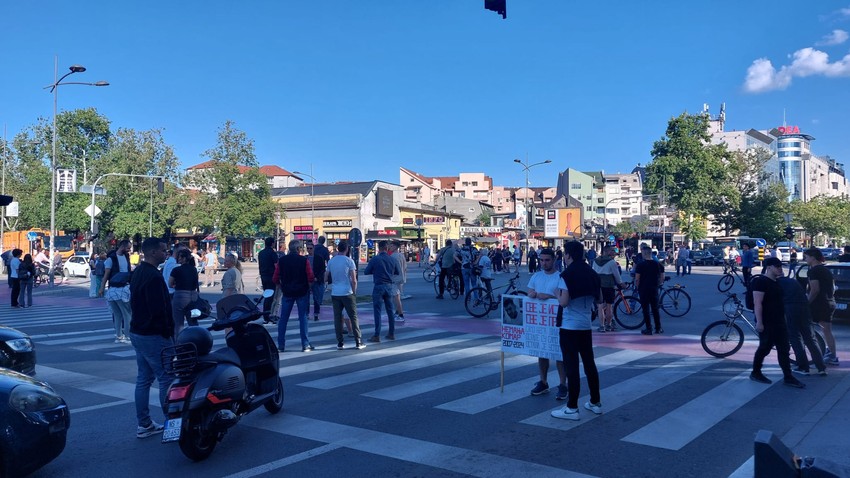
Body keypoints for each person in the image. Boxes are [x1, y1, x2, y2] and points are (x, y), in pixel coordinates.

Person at [128, 237, 175, 438]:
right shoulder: (154, 277)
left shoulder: (138, 272)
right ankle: (172, 422)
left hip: (138, 331)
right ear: (154, 252)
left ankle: (144, 423)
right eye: (164, 250)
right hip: (154, 334)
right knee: (167, 378)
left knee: (144, 379)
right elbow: (160, 310)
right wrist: (168, 333)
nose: (166, 253)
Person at [551, 241, 603, 420]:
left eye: (565, 254)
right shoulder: (593, 273)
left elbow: (564, 302)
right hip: (586, 325)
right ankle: (595, 402)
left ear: (569, 255)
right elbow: (599, 299)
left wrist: (556, 292)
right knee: (590, 364)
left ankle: (572, 407)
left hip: (569, 326)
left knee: (571, 366)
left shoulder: (567, 274)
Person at [749, 257, 805, 388]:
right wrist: (760, 322)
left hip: (779, 321)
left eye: (780, 266)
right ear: (769, 267)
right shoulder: (761, 282)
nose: (780, 268)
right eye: (777, 266)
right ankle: (756, 372)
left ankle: (788, 376)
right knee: (764, 348)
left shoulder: (776, 282)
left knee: (784, 349)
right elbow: (758, 303)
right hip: (767, 321)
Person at [526, 248, 569, 401]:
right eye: (542, 260)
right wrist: (531, 294)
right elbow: (530, 290)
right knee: (542, 351)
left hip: (557, 322)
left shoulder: (561, 277)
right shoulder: (536, 276)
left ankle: (563, 384)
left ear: (554, 260)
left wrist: (549, 296)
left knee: (559, 354)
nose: (544, 263)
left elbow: (564, 299)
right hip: (540, 323)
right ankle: (543, 381)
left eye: (547, 260)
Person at [777, 275, 827, 376]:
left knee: (796, 338)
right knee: (811, 338)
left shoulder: (776, 283)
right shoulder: (793, 281)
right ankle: (821, 367)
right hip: (804, 308)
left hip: (790, 308)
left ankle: (803, 367)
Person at [275, 239, 315, 352]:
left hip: (287, 292)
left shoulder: (281, 261)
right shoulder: (304, 260)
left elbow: (275, 277)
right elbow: (310, 276)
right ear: (298, 249)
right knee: (303, 318)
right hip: (302, 291)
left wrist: (281, 286)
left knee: (283, 319)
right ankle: (305, 344)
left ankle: (281, 345)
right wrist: (309, 286)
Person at [804, 248, 839, 366]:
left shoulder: (813, 271)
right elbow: (833, 288)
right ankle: (831, 353)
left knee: (805, 326)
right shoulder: (825, 269)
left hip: (819, 304)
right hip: (829, 302)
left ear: (813, 257)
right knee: (826, 330)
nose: (805, 259)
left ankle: (827, 354)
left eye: (806, 257)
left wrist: (806, 303)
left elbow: (814, 290)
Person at [326, 240, 364, 350]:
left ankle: (340, 342)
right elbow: (354, 280)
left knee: (337, 318)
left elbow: (326, 276)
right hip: (347, 292)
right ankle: (358, 341)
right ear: (347, 249)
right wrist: (354, 291)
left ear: (338, 249)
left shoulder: (331, 261)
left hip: (335, 292)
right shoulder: (349, 261)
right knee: (353, 316)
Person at [364, 240, 399, 342]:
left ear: (379, 248)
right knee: (390, 311)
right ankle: (391, 333)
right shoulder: (392, 259)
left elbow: (366, 271)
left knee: (377, 311)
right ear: (386, 248)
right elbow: (397, 272)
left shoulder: (375, 259)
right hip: (389, 286)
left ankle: (377, 335)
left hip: (379, 286)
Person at [100, 240, 133, 344]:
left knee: (118, 314)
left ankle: (119, 336)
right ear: (122, 246)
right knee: (127, 314)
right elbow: (106, 274)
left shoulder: (125, 257)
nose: (129, 250)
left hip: (118, 288)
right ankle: (126, 336)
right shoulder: (111, 258)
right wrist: (101, 287)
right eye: (128, 248)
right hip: (119, 288)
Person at [592, 245, 624, 333]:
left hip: (599, 286)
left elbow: (593, 273)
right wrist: (621, 283)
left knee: (600, 306)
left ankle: (602, 326)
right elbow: (616, 275)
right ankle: (609, 325)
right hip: (609, 286)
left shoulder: (595, 261)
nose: (613, 252)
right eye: (612, 251)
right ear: (607, 251)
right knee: (609, 306)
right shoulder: (612, 262)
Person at [169, 248, 200, 338]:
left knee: (178, 323)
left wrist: (176, 285)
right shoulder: (193, 269)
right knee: (193, 321)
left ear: (183, 258)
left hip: (180, 296)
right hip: (193, 296)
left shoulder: (176, 270)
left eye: (179, 257)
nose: (178, 259)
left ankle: (179, 342)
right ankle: (196, 339)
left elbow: (170, 284)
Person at [634, 245, 664, 335]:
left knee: (645, 309)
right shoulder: (658, 264)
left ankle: (649, 328)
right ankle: (658, 328)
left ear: (644, 253)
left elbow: (637, 278)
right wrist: (658, 284)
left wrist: (637, 287)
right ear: (651, 253)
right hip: (654, 288)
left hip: (643, 289)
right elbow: (662, 277)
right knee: (655, 309)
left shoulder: (640, 265)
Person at [257, 237, 278, 323]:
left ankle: (266, 314)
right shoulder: (272, 253)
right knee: (270, 297)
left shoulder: (261, 253)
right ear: (272, 243)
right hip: (271, 276)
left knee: (266, 295)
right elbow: (276, 265)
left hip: (263, 275)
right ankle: (267, 315)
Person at [311, 237, 331, 321]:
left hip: (311, 272)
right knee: (319, 290)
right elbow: (328, 261)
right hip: (320, 273)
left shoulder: (314, 248)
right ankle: (319, 303)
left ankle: (307, 313)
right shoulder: (325, 250)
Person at [389, 241, 407, 323]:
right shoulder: (401, 255)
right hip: (401, 278)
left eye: (392, 246)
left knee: (396, 298)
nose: (390, 247)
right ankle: (397, 312)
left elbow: (391, 269)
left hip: (395, 279)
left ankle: (400, 314)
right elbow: (405, 267)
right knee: (397, 296)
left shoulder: (393, 256)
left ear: (396, 247)